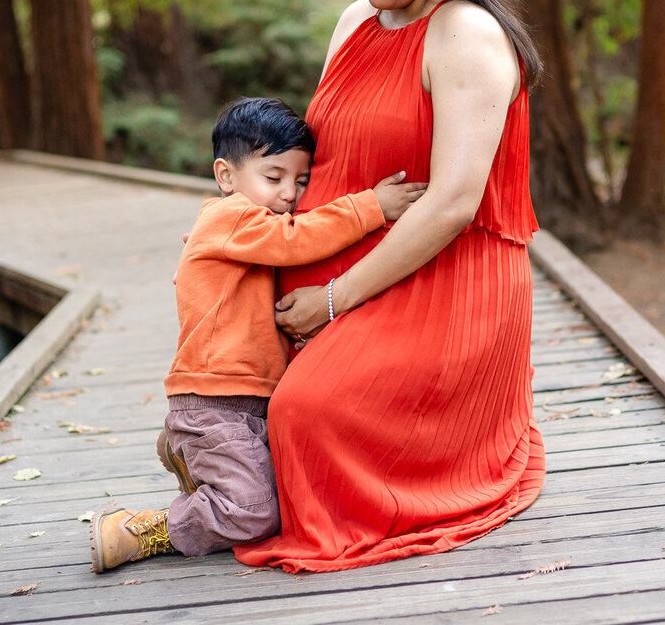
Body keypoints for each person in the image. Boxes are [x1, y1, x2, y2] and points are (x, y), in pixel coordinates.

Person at [233, 0, 546, 573]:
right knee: (223, 403)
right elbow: (317, 159)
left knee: (300, 414)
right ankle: (232, 494)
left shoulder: (465, 35)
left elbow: (452, 205)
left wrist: (334, 300)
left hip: (446, 281)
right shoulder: (353, 25)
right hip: (335, 262)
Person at [90, 97, 425, 572]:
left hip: (250, 400)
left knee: (283, 496)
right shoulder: (231, 218)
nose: (290, 193)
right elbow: (297, 238)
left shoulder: (247, 232)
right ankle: (142, 527)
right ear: (226, 176)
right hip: (215, 399)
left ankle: (187, 450)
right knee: (255, 512)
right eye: (274, 177)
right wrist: (370, 206)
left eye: (301, 180)